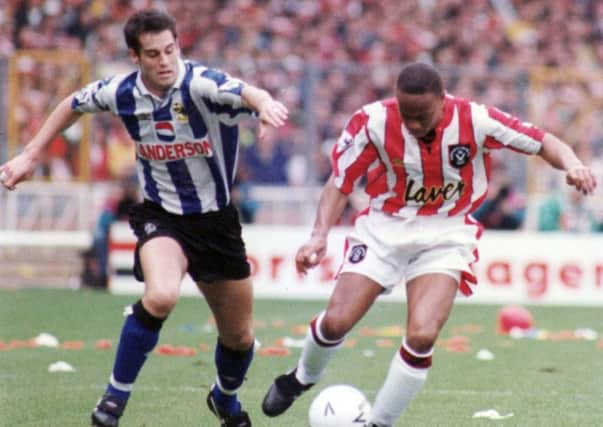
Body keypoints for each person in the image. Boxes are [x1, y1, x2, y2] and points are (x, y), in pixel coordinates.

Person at [261, 62, 596, 427]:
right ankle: (301, 378)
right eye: (407, 116)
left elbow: (543, 140)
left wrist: (574, 165)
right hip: (384, 227)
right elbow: (340, 182)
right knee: (337, 322)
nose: (414, 125)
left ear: (442, 100)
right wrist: (319, 234)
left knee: (421, 335)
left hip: (446, 232)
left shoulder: (475, 119)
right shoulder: (371, 122)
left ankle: (380, 423)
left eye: (422, 116)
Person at [0, 9, 288, 427]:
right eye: (153, 54)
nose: (165, 60)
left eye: (170, 50)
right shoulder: (122, 92)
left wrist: (266, 106)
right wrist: (30, 153)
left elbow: (249, 92)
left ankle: (224, 399)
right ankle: (112, 403)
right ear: (135, 57)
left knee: (240, 338)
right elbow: (73, 103)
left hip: (216, 224)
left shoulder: (201, 85)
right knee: (161, 296)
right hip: (162, 217)